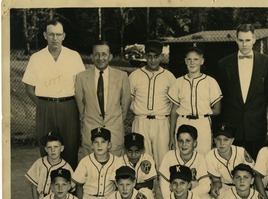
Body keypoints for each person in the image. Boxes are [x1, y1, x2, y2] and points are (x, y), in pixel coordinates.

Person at [22, 19, 85, 170]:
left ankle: (70, 190)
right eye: (51, 34)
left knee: (70, 149)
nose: (55, 38)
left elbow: (82, 85)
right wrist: (44, 105)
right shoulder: (36, 58)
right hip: (45, 107)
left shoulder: (74, 56)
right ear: (45, 35)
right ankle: (48, 188)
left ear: (64, 36)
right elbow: (29, 88)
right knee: (47, 149)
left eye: (58, 34)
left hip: (69, 107)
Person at [217, 24, 268, 160]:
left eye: (248, 40)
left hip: (256, 127)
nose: (244, 44)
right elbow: (222, 97)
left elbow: (266, 95)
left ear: (254, 39)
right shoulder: (224, 64)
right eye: (241, 40)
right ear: (236, 40)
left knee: (257, 169)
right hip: (232, 128)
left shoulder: (267, 63)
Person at [75, 40, 131, 157]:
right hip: (91, 133)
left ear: (110, 57)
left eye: (104, 54)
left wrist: (116, 121)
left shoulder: (122, 76)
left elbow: (125, 106)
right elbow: (81, 105)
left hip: (114, 134)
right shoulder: (81, 77)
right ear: (91, 56)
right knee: (91, 172)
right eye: (97, 54)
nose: (100, 58)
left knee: (115, 172)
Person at [168, 43, 222, 156]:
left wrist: (204, 113)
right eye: (189, 59)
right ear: (185, 61)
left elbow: (217, 109)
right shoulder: (178, 82)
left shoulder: (210, 82)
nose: (192, 63)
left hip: (202, 122)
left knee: (203, 157)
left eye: (196, 59)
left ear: (202, 61)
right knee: (182, 157)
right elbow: (174, 111)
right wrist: (172, 135)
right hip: (183, 121)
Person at [129, 40, 176, 168]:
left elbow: (174, 106)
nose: (152, 60)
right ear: (144, 56)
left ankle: (163, 187)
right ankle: (145, 187)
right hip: (141, 120)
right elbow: (129, 101)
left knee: (163, 160)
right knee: (142, 160)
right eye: (149, 56)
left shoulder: (169, 77)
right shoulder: (135, 75)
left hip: (161, 122)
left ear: (161, 56)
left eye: (156, 57)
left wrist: (172, 133)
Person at [159, 125, 212, 199]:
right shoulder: (169, 156)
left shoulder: (199, 158)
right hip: (173, 195)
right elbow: (164, 184)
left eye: (188, 141)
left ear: (195, 143)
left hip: (193, 195)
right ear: (177, 142)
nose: (184, 145)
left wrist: (187, 196)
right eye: (181, 141)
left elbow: (205, 186)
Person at [72, 127, 121, 199]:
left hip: (108, 198)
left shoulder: (117, 161)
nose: (99, 145)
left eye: (103, 142)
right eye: (96, 142)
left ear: (109, 145)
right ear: (91, 145)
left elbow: (119, 186)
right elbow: (79, 186)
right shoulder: (85, 162)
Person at [205, 123, 254, 199]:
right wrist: (215, 187)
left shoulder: (241, 151)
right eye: (218, 139)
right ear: (214, 140)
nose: (222, 143)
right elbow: (216, 180)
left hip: (244, 185)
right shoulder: (210, 156)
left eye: (226, 140)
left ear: (232, 140)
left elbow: (251, 174)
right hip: (225, 186)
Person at [25, 131, 75, 199]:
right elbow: (34, 186)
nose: (53, 150)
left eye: (56, 147)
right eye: (49, 147)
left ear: (61, 148)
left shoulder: (67, 167)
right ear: (45, 149)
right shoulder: (39, 163)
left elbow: (71, 189)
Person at [117, 132, 157, 199]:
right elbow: (116, 184)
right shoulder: (119, 161)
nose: (133, 155)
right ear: (125, 150)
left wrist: (130, 187)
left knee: (145, 194)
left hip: (143, 191)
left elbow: (149, 184)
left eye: (137, 151)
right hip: (125, 192)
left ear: (143, 150)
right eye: (130, 151)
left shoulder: (147, 159)